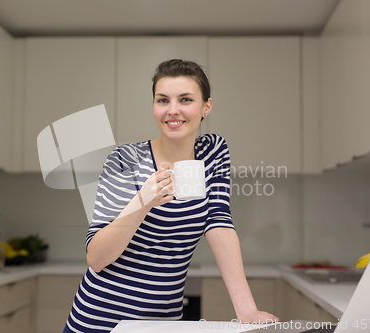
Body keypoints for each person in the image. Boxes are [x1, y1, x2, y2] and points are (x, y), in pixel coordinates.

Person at [62, 59, 279, 333]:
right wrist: (143, 201)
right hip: (101, 322)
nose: (173, 111)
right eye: (163, 100)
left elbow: (218, 222)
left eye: (185, 99)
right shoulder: (126, 159)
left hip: (164, 323)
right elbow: (96, 257)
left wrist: (247, 309)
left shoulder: (213, 151)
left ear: (206, 107)